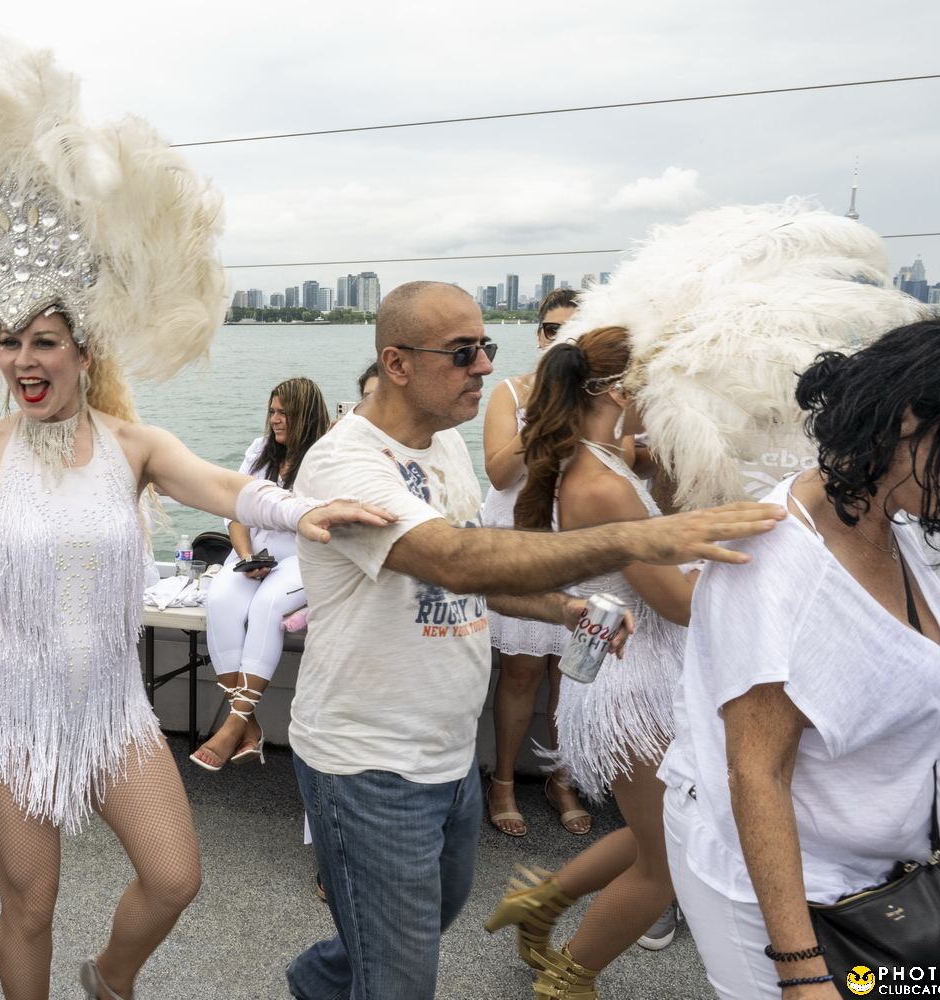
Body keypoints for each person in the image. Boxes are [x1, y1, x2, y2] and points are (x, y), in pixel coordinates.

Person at [0, 31, 396, 999]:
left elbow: (226, 486)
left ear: (82, 349)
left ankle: (111, 975)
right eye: (9, 340)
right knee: (30, 903)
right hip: (7, 709)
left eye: (44, 340)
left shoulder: (135, 446)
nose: (24, 360)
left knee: (175, 876)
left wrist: (303, 510)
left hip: (111, 706)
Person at [285, 281, 784, 1000]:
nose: (485, 366)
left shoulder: (445, 446)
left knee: (435, 913)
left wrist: (563, 608)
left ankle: (315, 980)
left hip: (448, 749)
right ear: (396, 363)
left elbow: (470, 570)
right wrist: (643, 535)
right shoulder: (346, 463)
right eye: (462, 353)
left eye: (485, 347)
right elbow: (451, 559)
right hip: (367, 762)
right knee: (398, 976)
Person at [659, 320, 940, 998]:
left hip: (893, 876)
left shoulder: (888, 520)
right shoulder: (775, 562)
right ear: (905, 421)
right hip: (795, 895)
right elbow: (755, 771)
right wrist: (800, 971)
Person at [484, 325, 696, 993]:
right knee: (670, 864)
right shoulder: (601, 485)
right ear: (618, 389)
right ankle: (571, 977)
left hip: (613, 667)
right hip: (627, 682)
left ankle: (541, 901)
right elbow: (680, 603)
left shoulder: (599, 462)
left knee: (658, 830)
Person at [479, 287, 589, 839]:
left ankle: (562, 776)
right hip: (521, 540)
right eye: (551, 328)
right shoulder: (509, 392)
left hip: (579, 544)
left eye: (571, 331)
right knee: (522, 670)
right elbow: (500, 474)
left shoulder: (599, 398)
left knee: (572, 675)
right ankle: (502, 780)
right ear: (537, 332)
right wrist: (543, 414)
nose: (558, 339)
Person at [191, 377, 330, 770]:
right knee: (220, 599)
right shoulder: (259, 451)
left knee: (268, 607)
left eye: (283, 413)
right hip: (258, 555)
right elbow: (235, 512)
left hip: (304, 558)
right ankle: (249, 726)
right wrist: (248, 557)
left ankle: (233, 723)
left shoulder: (323, 458)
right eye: (271, 411)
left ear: (304, 415)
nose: (274, 420)